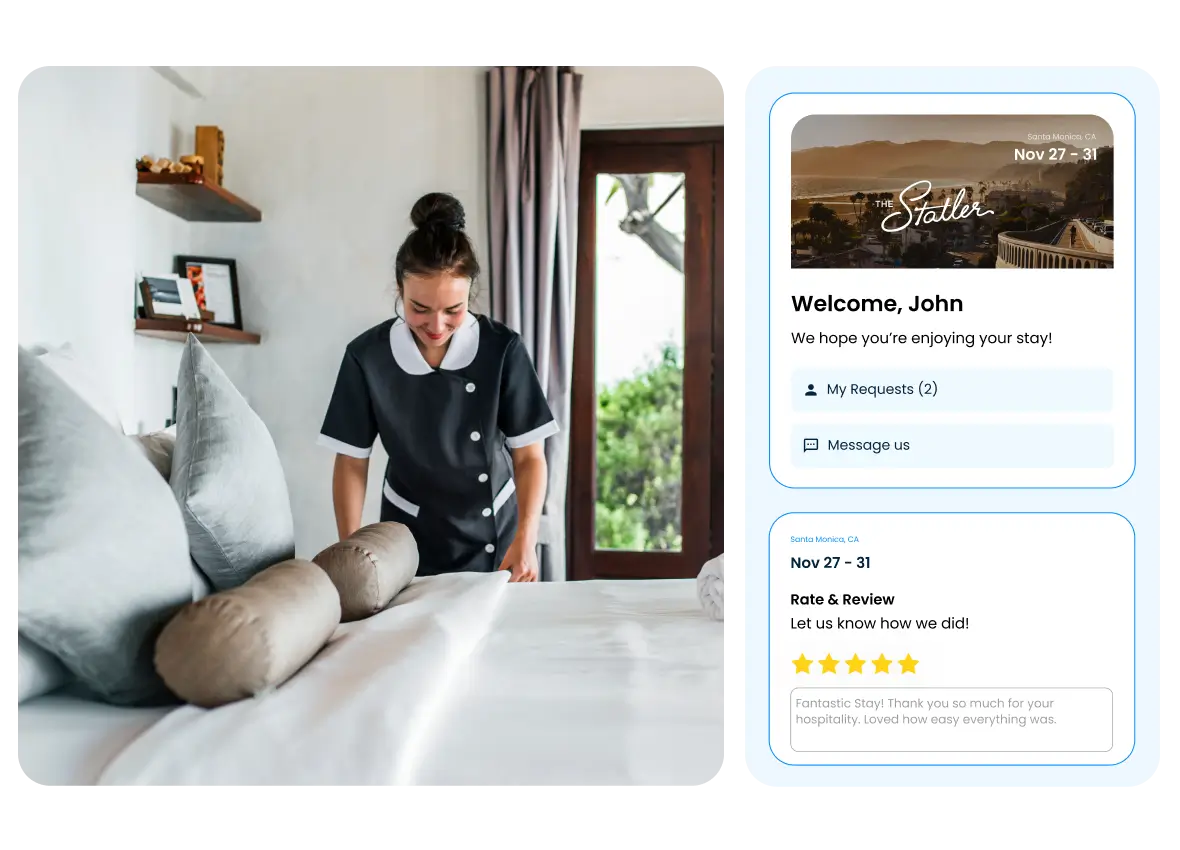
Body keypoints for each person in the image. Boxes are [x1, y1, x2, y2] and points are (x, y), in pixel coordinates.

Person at [318, 192, 558, 582]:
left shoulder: (502, 350)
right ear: (400, 290)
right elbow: (351, 462)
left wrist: (526, 539)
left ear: (470, 294)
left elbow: (530, 457)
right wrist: (350, 552)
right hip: (405, 539)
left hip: (498, 539)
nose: (436, 326)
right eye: (420, 309)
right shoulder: (367, 357)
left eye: (453, 310)